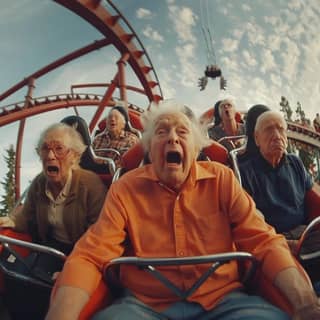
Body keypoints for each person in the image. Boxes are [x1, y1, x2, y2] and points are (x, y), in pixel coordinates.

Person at [46, 101, 320, 320]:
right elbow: (91, 256)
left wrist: (305, 303)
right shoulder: (125, 189)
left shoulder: (222, 179)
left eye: (182, 132)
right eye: (162, 132)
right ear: (151, 148)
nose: (172, 139)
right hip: (142, 305)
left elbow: (263, 241)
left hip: (225, 300)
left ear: (196, 147)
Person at [0, 123, 106, 255]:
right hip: (50, 248)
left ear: (74, 156)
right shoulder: (39, 182)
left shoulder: (91, 185)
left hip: (82, 252)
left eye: (59, 148)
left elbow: (99, 234)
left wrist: (73, 264)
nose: (50, 156)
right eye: (45, 149)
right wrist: (12, 221)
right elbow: (26, 216)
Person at [238, 111, 320, 252]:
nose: (277, 135)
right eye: (269, 129)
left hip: (306, 232)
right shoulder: (244, 173)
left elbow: (315, 194)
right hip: (273, 241)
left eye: (281, 129)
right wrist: (283, 244)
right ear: (257, 139)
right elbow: (250, 224)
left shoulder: (296, 162)